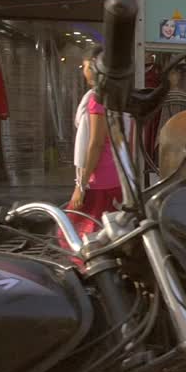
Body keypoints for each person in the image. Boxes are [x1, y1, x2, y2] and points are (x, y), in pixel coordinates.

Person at [69, 46, 126, 239]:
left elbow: (96, 143)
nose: (83, 72)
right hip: (116, 177)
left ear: (94, 68)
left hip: (99, 181)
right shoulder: (118, 97)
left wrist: (81, 186)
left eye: (84, 66)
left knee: (74, 236)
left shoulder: (97, 100)